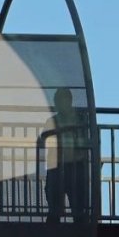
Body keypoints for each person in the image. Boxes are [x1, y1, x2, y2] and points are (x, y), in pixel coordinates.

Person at [41, 88, 91, 224]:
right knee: (55, 207)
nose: (57, 103)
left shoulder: (81, 120)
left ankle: (79, 232)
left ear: (69, 101)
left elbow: (87, 140)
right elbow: (43, 139)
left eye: (60, 100)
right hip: (58, 166)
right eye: (57, 101)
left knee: (78, 207)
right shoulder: (78, 120)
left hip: (74, 165)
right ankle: (55, 233)